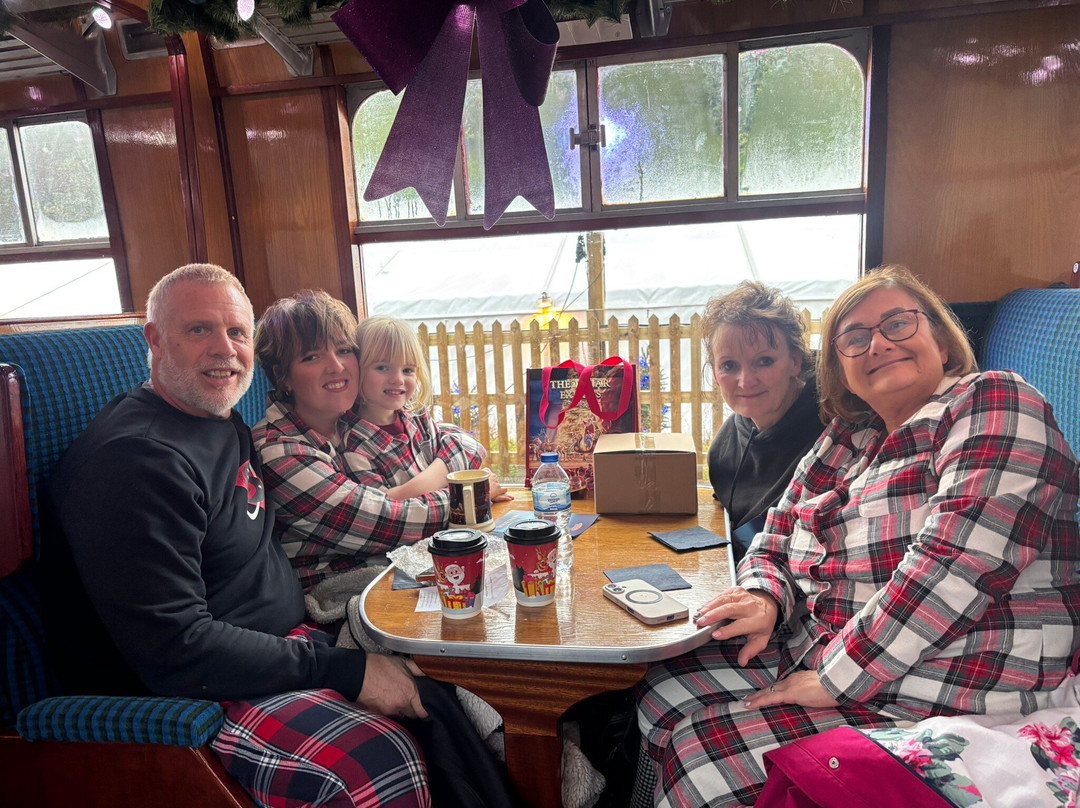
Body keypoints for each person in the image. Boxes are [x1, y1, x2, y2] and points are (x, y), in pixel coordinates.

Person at [635, 265, 1080, 808]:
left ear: (941, 338)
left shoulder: (993, 402)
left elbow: (952, 568)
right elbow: (776, 533)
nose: (878, 344)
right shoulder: (849, 437)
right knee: (660, 688)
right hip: (826, 648)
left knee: (700, 755)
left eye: (898, 324)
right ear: (840, 368)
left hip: (952, 681)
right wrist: (763, 594)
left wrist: (831, 679)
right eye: (855, 337)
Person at [46, 264, 433, 808]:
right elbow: (177, 648)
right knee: (375, 762)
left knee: (456, 688)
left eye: (236, 333)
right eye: (199, 330)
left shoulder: (218, 420)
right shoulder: (135, 462)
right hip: (199, 692)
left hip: (282, 643)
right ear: (155, 340)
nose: (223, 349)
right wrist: (348, 670)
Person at [253, 301, 508, 593]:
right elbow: (389, 522)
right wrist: (471, 495)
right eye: (312, 357)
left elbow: (463, 441)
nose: (336, 367)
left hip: (393, 568)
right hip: (342, 590)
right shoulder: (278, 449)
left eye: (344, 350)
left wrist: (447, 483)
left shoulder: (352, 419)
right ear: (283, 376)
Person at [702, 282, 825, 561]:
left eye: (764, 361)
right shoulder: (723, 449)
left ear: (795, 361)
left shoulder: (834, 431)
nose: (746, 381)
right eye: (729, 365)